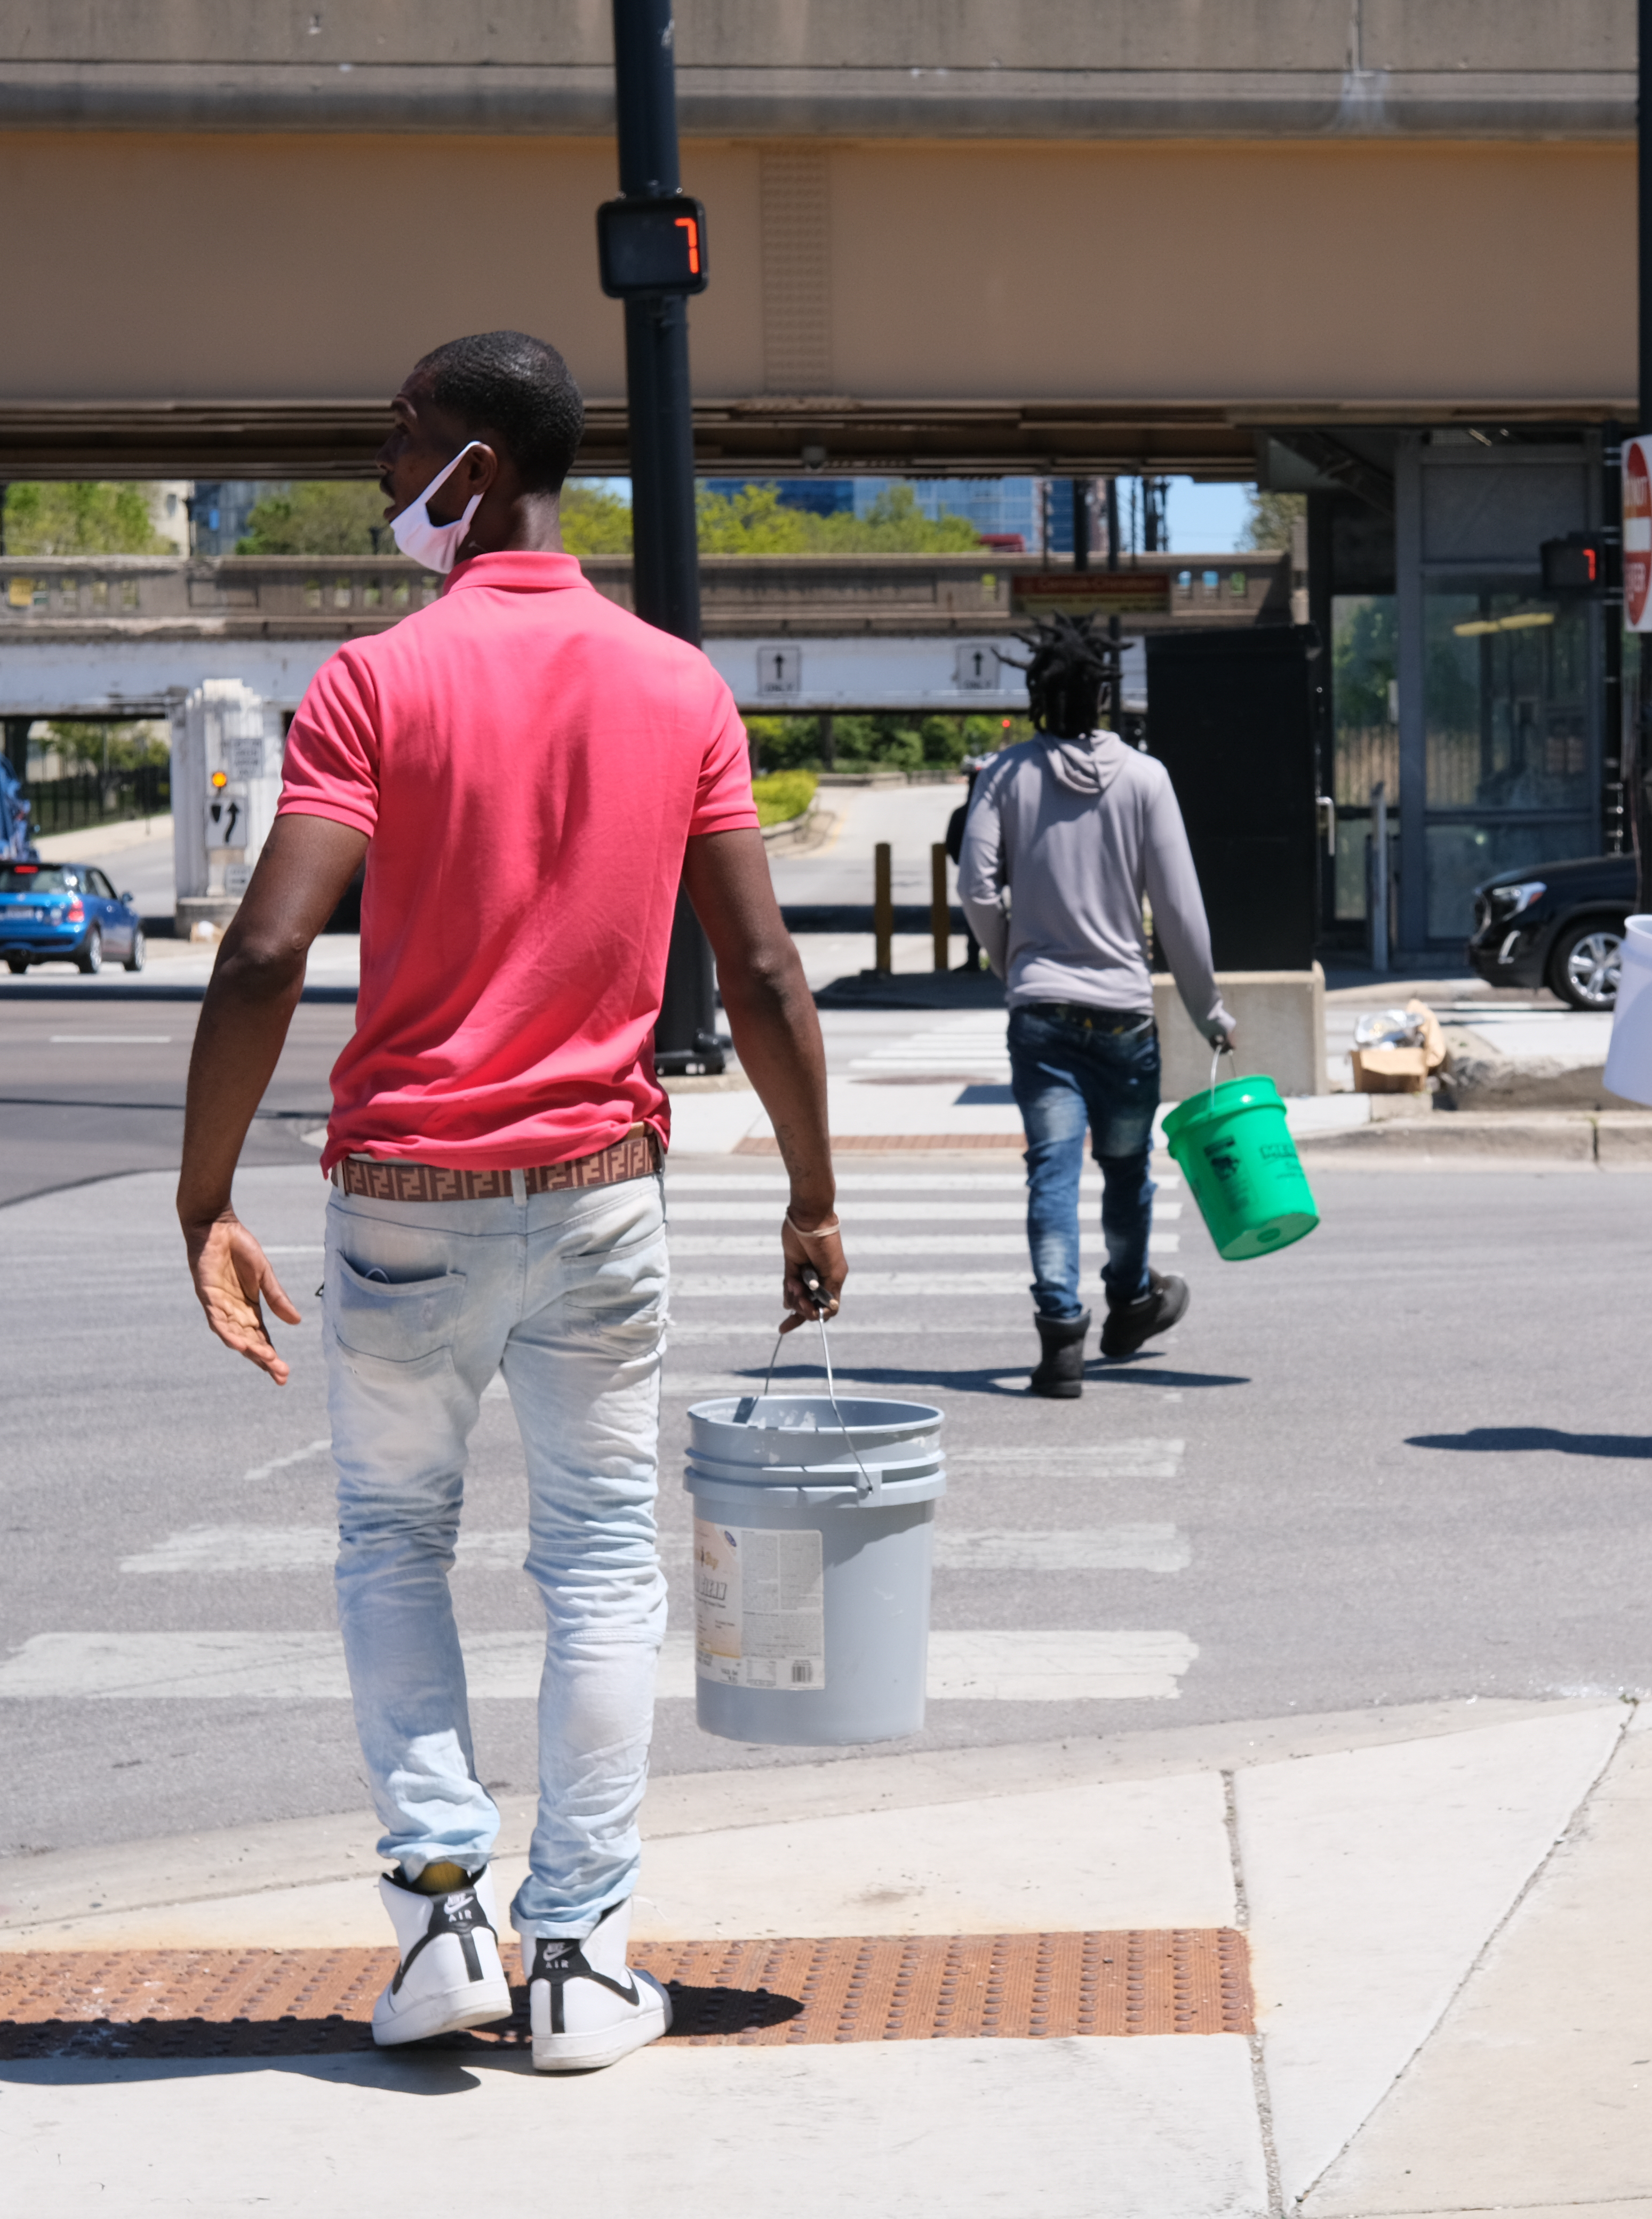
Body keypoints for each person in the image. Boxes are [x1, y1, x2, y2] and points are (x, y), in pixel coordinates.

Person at [174, 330, 847, 2071]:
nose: (382, 473)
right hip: (603, 1194)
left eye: (400, 439)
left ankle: (440, 1923)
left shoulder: (373, 683)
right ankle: (577, 1963)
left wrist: (202, 1194)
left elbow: (265, 948)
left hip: (404, 1194)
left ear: (475, 461)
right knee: (604, 1567)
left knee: (392, 1545)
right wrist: (811, 1194)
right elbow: (763, 970)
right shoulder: (676, 688)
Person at [959, 619, 1232, 1399]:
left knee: (1050, 1172)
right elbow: (1179, 911)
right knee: (1125, 1171)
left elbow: (977, 888)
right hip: (1122, 1015)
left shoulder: (1006, 777)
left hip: (1040, 1011)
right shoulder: (1147, 779)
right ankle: (1132, 1299)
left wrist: (1012, 954)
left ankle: (1060, 1338)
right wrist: (1207, 1005)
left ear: (1037, 696)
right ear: (1105, 694)